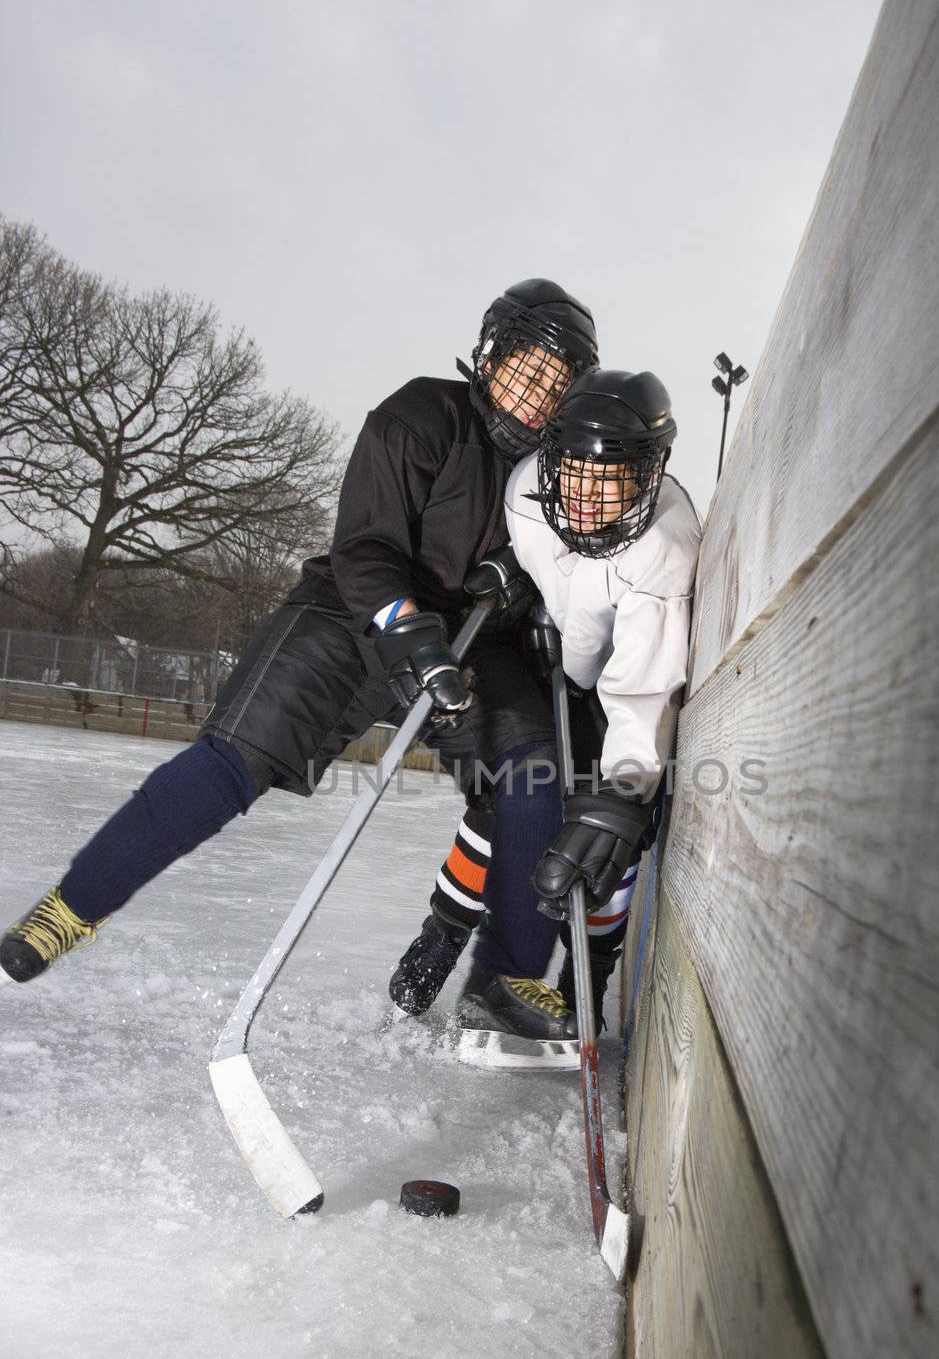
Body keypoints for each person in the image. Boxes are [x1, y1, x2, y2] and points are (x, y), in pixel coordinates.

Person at [0, 280, 598, 988]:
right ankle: (67, 910)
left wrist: (519, 581)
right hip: (350, 615)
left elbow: (573, 563)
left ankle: (502, 982)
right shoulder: (421, 414)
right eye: (527, 370)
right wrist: (402, 627)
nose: (535, 396)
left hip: (475, 641)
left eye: (554, 384)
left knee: (534, 774)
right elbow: (366, 546)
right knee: (232, 760)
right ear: (491, 354)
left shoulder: (559, 468)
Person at [389, 368, 700, 1042]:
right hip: (537, 655)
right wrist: (513, 578)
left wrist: (626, 786)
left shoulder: (662, 551)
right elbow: (518, 548)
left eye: (609, 479)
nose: (586, 497)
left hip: (606, 680)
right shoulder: (527, 489)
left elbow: (641, 687)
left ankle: (585, 975)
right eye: (575, 474)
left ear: (647, 475)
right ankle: (442, 932)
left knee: (606, 836)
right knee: (511, 794)